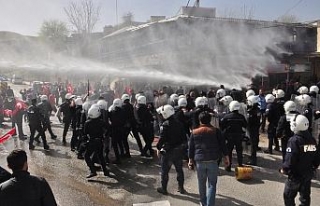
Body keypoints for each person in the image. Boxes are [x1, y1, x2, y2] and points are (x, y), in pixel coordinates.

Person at [188, 112, 229, 206]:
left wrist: (190, 160)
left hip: (199, 161)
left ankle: (203, 202)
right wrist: (226, 157)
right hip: (213, 160)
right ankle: (210, 204)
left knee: (201, 183)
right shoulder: (216, 131)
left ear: (199, 120)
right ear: (210, 120)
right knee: (212, 184)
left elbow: (191, 147)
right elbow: (223, 145)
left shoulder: (194, 132)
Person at [280, 115, 320, 206]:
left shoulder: (294, 140)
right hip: (307, 174)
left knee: (288, 196)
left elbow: (290, 159)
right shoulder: (312, 139)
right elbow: (317, 158)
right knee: (305, 198)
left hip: (295, 175)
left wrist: (285, 169)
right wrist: (313, 167)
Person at [156, 104, 187, 195]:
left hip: (168, 152)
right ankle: (181, 188)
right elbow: (184, 138)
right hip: (178, 151)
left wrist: (158, 148)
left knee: (164, 171)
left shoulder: (165, 125)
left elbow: (162, 139)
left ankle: (164, 188)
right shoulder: (179, 124)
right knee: (179, 170)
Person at [220, 101, 247, 172]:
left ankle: (228, 167)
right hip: (239, 136)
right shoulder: (241, 117)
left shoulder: (226, 117)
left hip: (229, 137)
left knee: (229, 151)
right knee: (239, 151)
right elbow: (245, 125)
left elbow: (222, 126)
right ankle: (240, 165)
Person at [84, 105, 110, 178]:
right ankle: (105, 171)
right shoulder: (101, 122)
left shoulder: (87, 123)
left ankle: (93, 171)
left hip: (92, 141)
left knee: (86, 156)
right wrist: (105, 135)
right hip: (100, 141)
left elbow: (85, 133)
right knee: (101, 156)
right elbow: (108, 128)